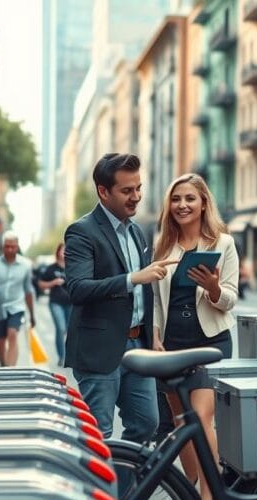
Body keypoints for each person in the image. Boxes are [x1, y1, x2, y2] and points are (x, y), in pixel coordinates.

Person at [63, 152, 176, 443]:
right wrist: (132, 278)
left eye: (139, 188)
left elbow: (145, 293)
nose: (136, 197)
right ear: (103, 192)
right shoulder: (82, 231)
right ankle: (97, 475)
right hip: (100, 350)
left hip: (139, 346)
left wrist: (153, 335)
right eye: (127, 190)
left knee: (147, 424)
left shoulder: (136, 232)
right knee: (99, 434)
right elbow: (78, 288)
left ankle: (123, 476)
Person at [151, 173, 238, 500]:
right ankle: (189, 493)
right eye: (176, 199)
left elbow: (230, 299)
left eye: (189, 198)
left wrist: (214, 287)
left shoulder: (223, 243)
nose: (182, 205)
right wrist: (155, 334)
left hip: (210, 343)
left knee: (201, 419)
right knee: (180, 422)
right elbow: (156, 301)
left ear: (203, 203)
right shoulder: (163, 245)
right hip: (171, 344)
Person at [0, 232, 36, 367]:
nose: (10, 249)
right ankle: (3, 365)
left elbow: (28, 291)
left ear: (17, 246)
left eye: (13, 246)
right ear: (3, 246)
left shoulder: (26, 265)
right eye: (7, 246)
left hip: (16, 307)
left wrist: (32, 315)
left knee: (12, 334)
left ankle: (10, 370)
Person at [38, 242, 72, 366]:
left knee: (70, 330)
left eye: (66, 250)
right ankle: (62, 357)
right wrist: (53, 282)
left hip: (71, 303)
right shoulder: (51, 268)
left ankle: (70, 356)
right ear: (58, 252)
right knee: (61, 328)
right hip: (56, 303)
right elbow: (41, 284)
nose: (64, 253)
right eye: (62, 250)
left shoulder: (72, 267)